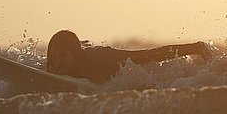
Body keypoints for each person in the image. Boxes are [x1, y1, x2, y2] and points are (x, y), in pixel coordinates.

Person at [46, 30, 212, 83]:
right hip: (84, 52)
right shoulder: (57, 65)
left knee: (146, 56)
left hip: (107, 60)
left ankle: (196, 46)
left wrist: (193, 48)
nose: (57, 61)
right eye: (53, 55)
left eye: (62, 55)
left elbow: (150, 55)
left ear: (75, 54)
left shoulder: (102, 59)